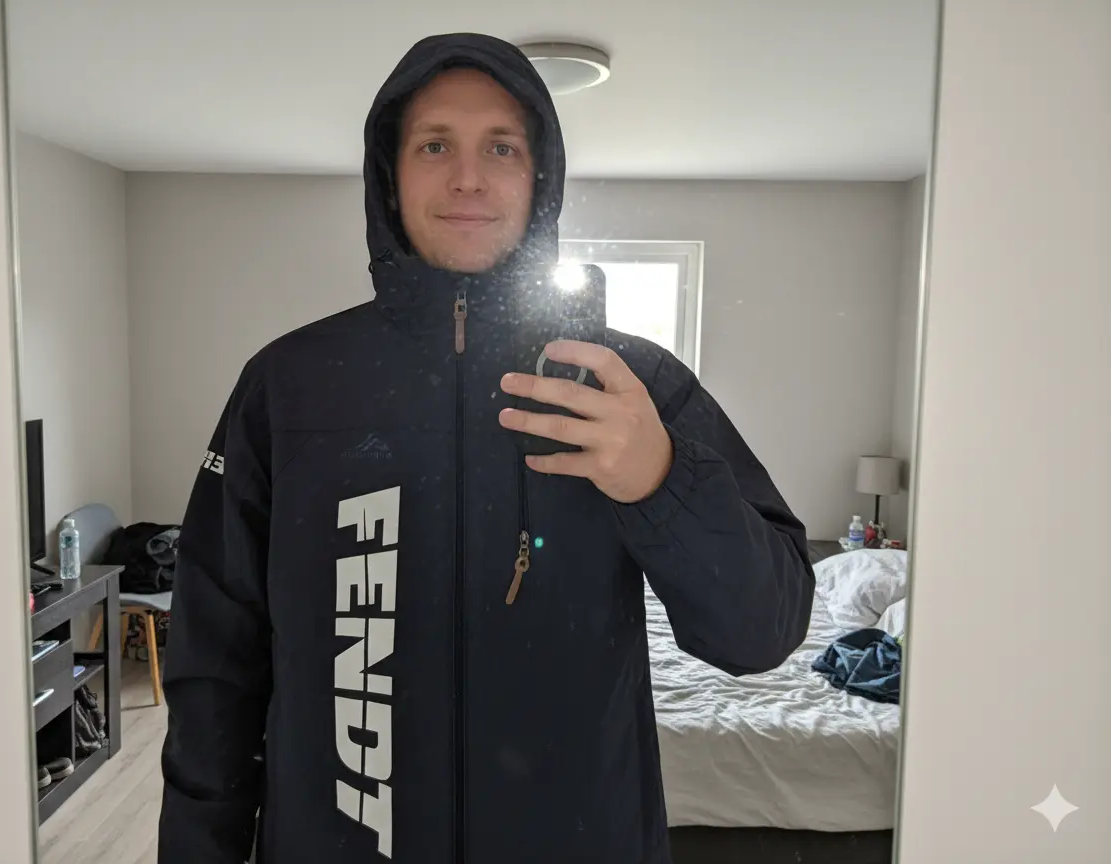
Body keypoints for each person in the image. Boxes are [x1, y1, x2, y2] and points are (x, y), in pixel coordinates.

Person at [157, 32, 815, 864]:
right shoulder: (288, 386)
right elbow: (215, 664)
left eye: (502, 147)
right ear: (389, 176)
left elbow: (762, 632)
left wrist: (662, 479)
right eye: (435, 145)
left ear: (540, 177)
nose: (468, 177)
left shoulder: (631, 384)